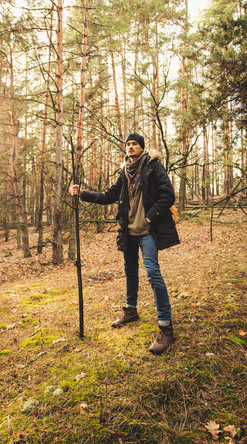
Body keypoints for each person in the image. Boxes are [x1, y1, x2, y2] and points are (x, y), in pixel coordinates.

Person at [70, 133, 180, 355]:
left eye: (134, 144)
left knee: (152, 273)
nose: (130, 147)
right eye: (128, 144)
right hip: (128, 232)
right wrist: (82, 193)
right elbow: (108, 195)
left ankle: (166, 327)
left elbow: (168, 196)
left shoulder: (153, 167)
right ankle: (131, 311)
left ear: (142, 148)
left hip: (148, 231)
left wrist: (149, 217)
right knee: (130, 272)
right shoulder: (124, 172)